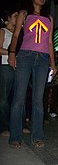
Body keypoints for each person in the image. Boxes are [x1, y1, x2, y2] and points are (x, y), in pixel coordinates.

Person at [8, 0, 56, 148]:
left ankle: (37, 136)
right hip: (25, 56)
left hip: (42, 59)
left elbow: (50, 42)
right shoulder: (24, 14)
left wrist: (53, 64)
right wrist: (12, 53)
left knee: (38, 100)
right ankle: (15, 136)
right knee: (18, 98)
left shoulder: (49, 18)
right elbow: (15, 35)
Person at [0, 9, 18, 137]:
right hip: (6, 66)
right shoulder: (3, 31)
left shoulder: (18, 33)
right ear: (8, 18)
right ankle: (5, 125)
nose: (17, 18)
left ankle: (18, 124)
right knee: (4, 99)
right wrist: (13, 53)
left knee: (18, 97)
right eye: (15, 16)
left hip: (19, 68)